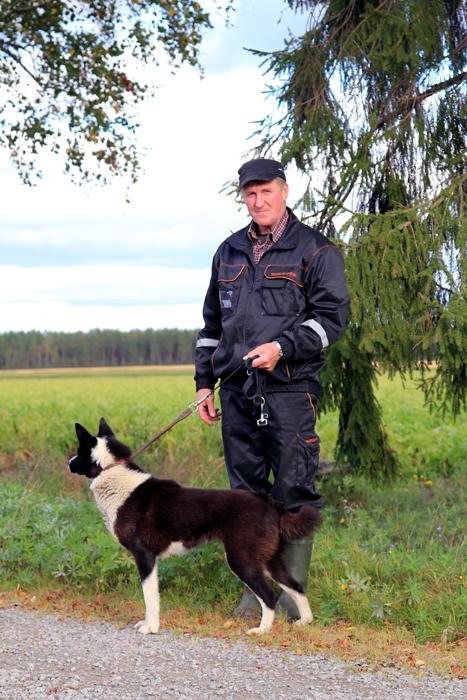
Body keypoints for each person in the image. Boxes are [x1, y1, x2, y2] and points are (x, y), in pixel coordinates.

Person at [194, 157, 350, 620]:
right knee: (244, 496)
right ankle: (256, 592)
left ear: (284, 191)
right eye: (250, 194)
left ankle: (291, 596)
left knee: (292, 490)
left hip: (288, 390)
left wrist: (283, 346)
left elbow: (330, 322)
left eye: (266, 191)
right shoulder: (228, 252)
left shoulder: (316, 251)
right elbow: (210, 327)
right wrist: (205, 382)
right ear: (243, 197)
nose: (258, 201)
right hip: (236, 391)